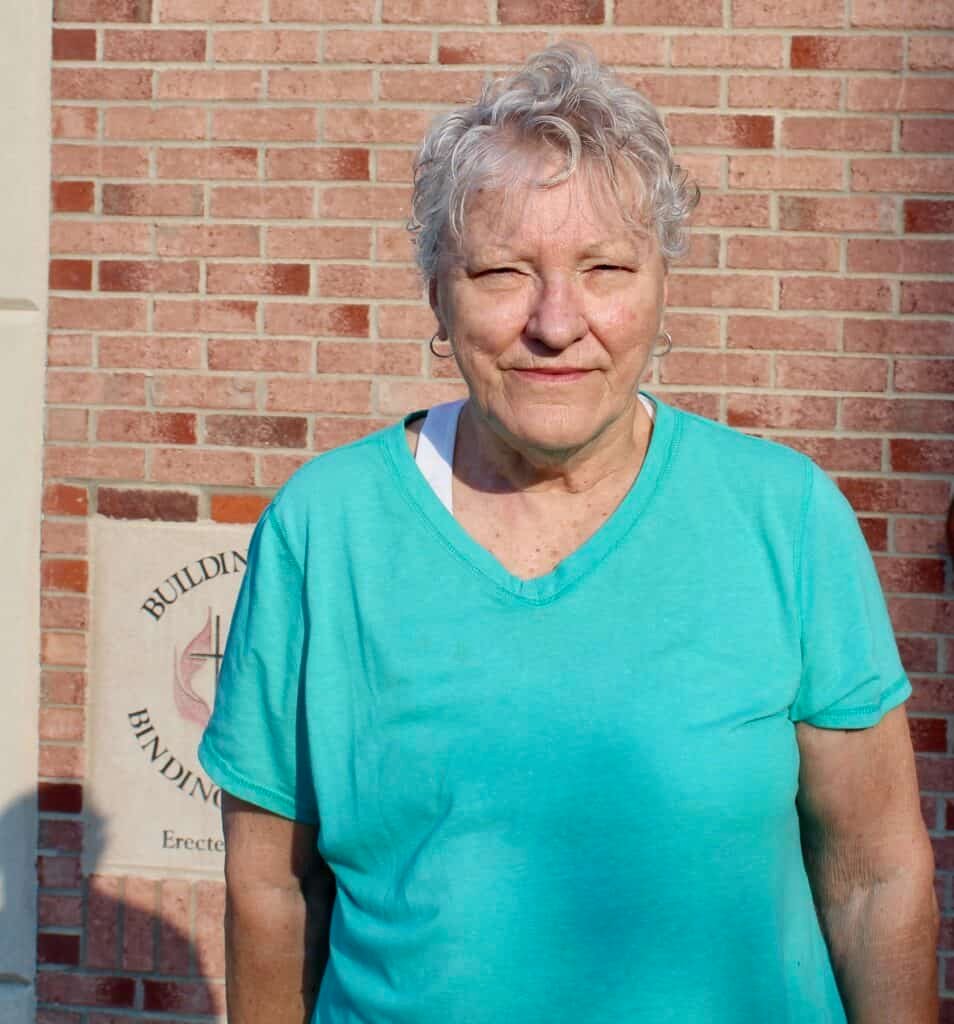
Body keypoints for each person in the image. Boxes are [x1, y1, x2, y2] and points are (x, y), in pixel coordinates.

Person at [198, 45, 938, 1023]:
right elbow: (272, 886)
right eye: (503, 270)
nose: (556, 322)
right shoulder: (326, 531)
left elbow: (874, 877)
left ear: (659, 285)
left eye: (605, 268)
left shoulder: (783, 517)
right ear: (438, 295)